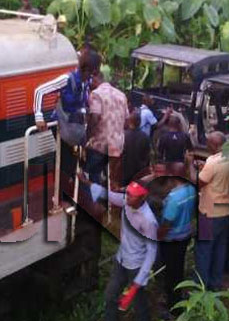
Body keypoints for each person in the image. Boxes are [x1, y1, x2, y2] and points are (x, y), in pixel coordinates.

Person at [34, 48, 101, 185]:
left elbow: (83, 101)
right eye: (95, 70)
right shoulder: (66, 79)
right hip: (62, 125)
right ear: (87, 69)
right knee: (66, 161)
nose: (96, 74)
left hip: (75, 126)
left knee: (78, 159)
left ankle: (71, 186)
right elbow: (39, 91)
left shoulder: (86, 82)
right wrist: (39, 117)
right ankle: (62, 192)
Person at [92, 181, 157, 321]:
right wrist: (89, 183)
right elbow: (111, 196)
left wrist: (140, 278)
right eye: (127, 193)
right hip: (121, 260)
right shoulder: (127, 203)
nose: (127, 197)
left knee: (139, 304)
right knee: (110, 295)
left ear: (142, 198)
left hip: (136, 266)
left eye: (132, 196)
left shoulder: (148, 221)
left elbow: (152, 251)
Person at [192, 132, 229, 291]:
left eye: (208, 144)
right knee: (220, 247)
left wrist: (190, 167)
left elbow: (198, 183)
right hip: (227, 209)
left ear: (214, 145)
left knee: (203, 249)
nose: (206, 146)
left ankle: (200, 286)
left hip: (210, 212)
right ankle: (216, 282)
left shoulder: (213, 161)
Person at [157, 175, 196, 315]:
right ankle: (179, 297)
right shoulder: (191, 189)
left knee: (170, 273)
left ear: (172, 179)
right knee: (178, 268)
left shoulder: (173, 198)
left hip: (171, 240)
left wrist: (158, 236)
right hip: (185, 235)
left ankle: (174, 306)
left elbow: (167, 223)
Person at [86, 71, 129, 185]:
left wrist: (87, 136)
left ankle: (96, 201)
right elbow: (126, 121)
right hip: (117, 145)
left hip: (100, 144)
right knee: (111, 178)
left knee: (94, 175)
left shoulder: (96, 94)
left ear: (94, 79)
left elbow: (95, 117)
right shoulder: (121, 95)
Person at [122, 110, 151, 186]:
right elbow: (147, 157)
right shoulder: (145, 137)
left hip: (125, 171)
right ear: (140, 122)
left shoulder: (123, 136)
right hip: (139, 172)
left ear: (129, 121)